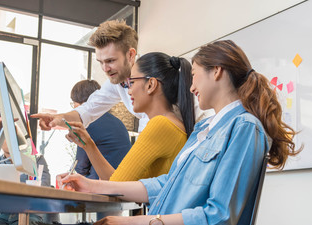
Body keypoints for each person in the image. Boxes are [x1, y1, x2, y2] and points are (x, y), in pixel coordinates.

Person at [17, 40, 301, 225]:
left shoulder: (243, 128)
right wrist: (92, 184)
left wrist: (131, 224)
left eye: (196, 76)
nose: (191, 87)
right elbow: (165, 185)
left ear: (217, 72)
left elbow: (218, 219)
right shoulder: (205, 128)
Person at [31, 20, 202, 134]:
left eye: (111, 61)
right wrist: (58, 119)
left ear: (130, 54)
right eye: (100, 62)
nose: (105, 68)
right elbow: (89, 109)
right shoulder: (117, 81)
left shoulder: (162, 74)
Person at [66, 52, 195, 181]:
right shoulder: (171, 123)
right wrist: (88, 145)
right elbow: (119, 182)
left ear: (151, 84)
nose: (128, 91)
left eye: (131, 82)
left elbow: (117, 185)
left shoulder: (160, 125)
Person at [70, 79, 131, 179]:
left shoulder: (87, 123)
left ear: (82, 103)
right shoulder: (119, 123)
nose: (73, 107)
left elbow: (81, 167)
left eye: (74, 102)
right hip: (124, 182)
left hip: (101, 184)